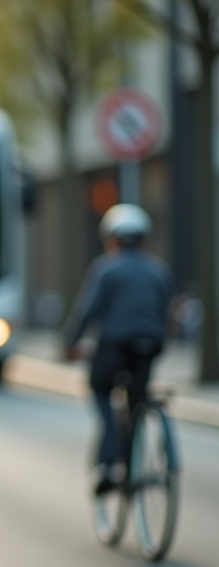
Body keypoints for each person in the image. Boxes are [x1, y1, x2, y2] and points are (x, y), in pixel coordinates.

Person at [64, 203, 172, 494]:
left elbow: (88, 311)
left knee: (100, 388)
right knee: (136, 399)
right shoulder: (159, 270)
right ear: (144, 239)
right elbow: (165, 314)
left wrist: (70, 343)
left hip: (114, 343)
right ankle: (134, 456)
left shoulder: (105, 268)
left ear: (112, 239)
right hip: (150, 346)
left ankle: (111, 460)